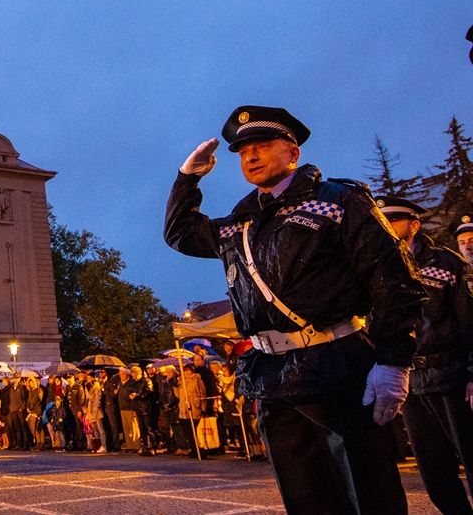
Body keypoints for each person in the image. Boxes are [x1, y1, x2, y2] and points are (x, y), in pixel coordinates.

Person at [165, 105, 425, 513]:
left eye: (263, 146)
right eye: (242, 151)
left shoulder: (338, 201)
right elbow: (180, 234)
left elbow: (393, 279)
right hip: (271, 377)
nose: (250, 156)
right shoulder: (241, 221)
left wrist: (394, 359)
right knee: (306, 499)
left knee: (367, 496)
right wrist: (188, 179)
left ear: (293, 153)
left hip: (336, 368)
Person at [378, 199, 473, 514]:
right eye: (382, 220)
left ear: (414, 224)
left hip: (453, 377)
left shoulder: (446, 263)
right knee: (434, 471)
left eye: (393, 220)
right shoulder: (378, 267)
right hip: (411, 383)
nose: (386, 226)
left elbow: (470, 322)